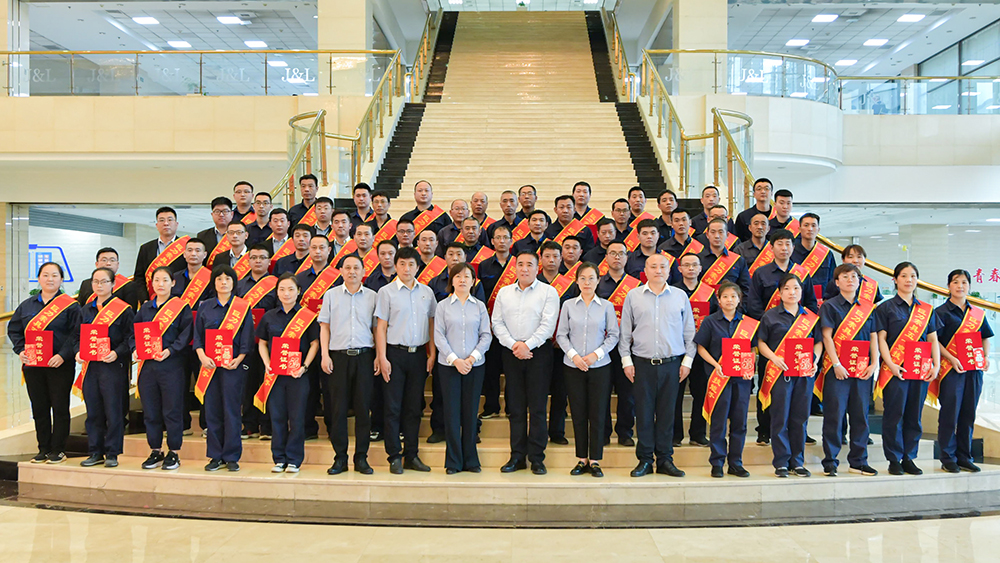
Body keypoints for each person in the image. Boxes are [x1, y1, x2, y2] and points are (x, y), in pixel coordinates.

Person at [620, 253, 695, 478]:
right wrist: (626, 361)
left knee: (667, 414)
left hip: (672, 365)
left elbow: (689, 332)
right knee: (643, 414)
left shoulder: (680, 296)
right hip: (641, 365)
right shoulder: (633, 296)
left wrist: (687, 362)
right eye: (653, 266)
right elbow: (625, 333)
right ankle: (644, 460)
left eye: (663, 266)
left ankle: (665, 459)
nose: (658, 270)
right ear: (645, 270)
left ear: (669, 270)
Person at [492, 250, 559, 475]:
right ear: (515, 267)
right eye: (520, 264)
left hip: (539, 354)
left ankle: (537, 458)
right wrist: (515, 345)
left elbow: (548, 325)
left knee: (537, 408)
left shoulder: (548, 292)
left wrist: (527, 345)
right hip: (511, 353)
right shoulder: (504, 293)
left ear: (537, 268)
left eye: (529, 264)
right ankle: (517, 456)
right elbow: (497, 323)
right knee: (516, 407)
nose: (524, 268)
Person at [8, 262, 82, 464]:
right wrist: (21, 350)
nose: (50, 279)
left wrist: (63, 355)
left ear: (61, 279)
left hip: (59, 365)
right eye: (46, 275)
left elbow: (76, 334)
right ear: (39, 278)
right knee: (39, 408)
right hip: (33, 365)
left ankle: (58, 449)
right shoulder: (27, 305)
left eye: (55, 275)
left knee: (59, 407)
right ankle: (43, 448)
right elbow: (14, 330)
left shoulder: (71, 306)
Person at [375, 246, 437, 474]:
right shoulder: (386, 292)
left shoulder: (427, 292)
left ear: (418, 267)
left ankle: (412, 455)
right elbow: (381, 327)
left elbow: (431, 324)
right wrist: (382, 357)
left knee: (413, 407)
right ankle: (394, 456)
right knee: (392, 407)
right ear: (395, 266)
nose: (406, 268)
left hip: (419, 354)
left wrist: (432, 354)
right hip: (394, 355)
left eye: (411, 264)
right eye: (402, 264)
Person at [875, 261, 941, 476]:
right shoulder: (885, 307)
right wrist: (891, 365)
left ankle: (909, 457)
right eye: (904, 276)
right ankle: (894, 459)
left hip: (920, 370)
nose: (909, 280)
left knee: (914, 415)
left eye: (913, 276)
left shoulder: (926, 310)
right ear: (895, 280)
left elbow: (933, 339)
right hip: (895, 370)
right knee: (894, 415)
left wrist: (936, 365)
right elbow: (881, 339)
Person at [557, 262, 619, 478]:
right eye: (582, 278)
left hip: (599, 366)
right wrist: (574, 356)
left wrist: (595, 355)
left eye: (591, 278)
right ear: (576, 281)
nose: (587, 282)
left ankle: (595, 460)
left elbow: (613, 335)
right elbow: (561, 335)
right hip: (573, 366)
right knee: (578, 412)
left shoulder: (606, 306)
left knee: (598, 412)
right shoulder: (568, 305)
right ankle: (581, 458)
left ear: (598, 280)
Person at [757, 274, 822, 478]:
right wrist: (773, 358)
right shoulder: (770, 316)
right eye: (787, 288)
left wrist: (815, 361)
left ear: (802, 292)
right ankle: (781, 462)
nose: (792, 292)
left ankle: (797, 462)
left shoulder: (811, 317)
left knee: (800, 418)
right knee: (780, 417)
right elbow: (761, 342)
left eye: (796, 288)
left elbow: (818, 342)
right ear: (780, 292)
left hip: (804, 374)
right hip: (780, 373)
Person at [818, 264, 880, 477]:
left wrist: (874, 362)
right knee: (834, 416)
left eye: (854, 276)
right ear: (837, 282)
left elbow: (873, 335)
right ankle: (830, 461)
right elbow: (826, 336)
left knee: (860, 416)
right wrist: (836, 364)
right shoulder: (829, 306)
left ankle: (859, 461)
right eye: (845, 276)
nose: (850, 280)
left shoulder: (868, 307)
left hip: (862, 369)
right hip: (837, 370)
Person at [320, 255, 379, 474]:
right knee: (338, 410)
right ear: (341, 271)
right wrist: (324, 355)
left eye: (356, 268)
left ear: (363, 271)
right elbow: (324, 327)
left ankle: (361, 458)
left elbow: (377, 329)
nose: (352, 271)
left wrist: (378, 356)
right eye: (347, 268)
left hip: (364, 357)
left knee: (363, 409)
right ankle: (340, 458)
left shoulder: (372, 296)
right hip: (338, 358)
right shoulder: (331, 295)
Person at [194, 265, 255, 472]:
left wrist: (239, 359)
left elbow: (247, 337)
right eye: (219, 279)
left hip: (232, 367)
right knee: (212, 411)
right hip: (209, 366)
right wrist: (202, 356)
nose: (223, 282)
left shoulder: (242, 307)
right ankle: (215, 455)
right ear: (214, 283)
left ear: (233, 282)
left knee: (231, 410)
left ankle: (231, 456)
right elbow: (198, 336)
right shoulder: (205, 306)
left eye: (227, 279)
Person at [694, 282, 758, 478]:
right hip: (718, 377)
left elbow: (753, 348)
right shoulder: (710, 321)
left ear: (739, 299)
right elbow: (701, 347)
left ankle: (736, 463)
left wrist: (749, 366)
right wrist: (716, 365)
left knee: (739, 422)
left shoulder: (748, 323)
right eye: (725, 296)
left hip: (741, 380)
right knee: (718, 422)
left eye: (733, 296)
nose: (729, 300)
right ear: (719, 300)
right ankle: (717, 462)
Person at [256, 273, 319, 474]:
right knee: (277, 418)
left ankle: (294, 459)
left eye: (291, 289)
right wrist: (267, 363)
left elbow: (314, 343)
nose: (286, 293)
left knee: (297, 418)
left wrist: (304, 366)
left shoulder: (307, 317)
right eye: (282, 289)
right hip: (275, 376)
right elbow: (262, 343)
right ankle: (279, 458)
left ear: (299, 292)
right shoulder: (269, 317)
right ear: (277, 292)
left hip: (297, 376)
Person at [434, 263, 492, 474]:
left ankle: (471, 460)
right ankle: (453, 462)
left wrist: (471, 358)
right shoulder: (443, 306)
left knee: (470, 412)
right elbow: (438, 336)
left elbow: (486, 335)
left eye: (467, 276)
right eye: (457, 276)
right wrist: (455, 360)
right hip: (449, 366)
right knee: (451, 414)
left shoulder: (479, 306)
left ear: (473, 281)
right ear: (452, 280)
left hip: (474, 366)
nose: (462, 280)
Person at [134, 266, 194, 471]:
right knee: (151, 411)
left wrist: (170, 351)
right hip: (148, 367)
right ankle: (155, 450)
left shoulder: (181, 307)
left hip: (172, 365)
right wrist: (135, 349)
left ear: (173, 283)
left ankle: (174, 452)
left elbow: (186, 334)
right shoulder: (145, 309)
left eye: (165, 280)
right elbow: (134, 334)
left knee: (172, 410)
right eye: (156, 280)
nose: (160, 284)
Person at [935, 269, 993, 474]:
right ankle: (947, 457)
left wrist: (986, 357)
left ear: (969, 286)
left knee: (968, 413)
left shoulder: (977, 313)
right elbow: (935, 341)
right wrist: (951, 358)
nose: (960, 286)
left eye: (964, 282)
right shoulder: (940, 312)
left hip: (974, 370)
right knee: (950, 414)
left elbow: (985, 336)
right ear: (948, 286)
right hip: (951, 369)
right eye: (955, 282)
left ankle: (964, 457)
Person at [76, 266, 135, 468]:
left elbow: (130, 338)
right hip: (91, 368)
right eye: (95, 282)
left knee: (113, 411)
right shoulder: (85, 310)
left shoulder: (124, 310)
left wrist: (117, 352)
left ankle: (112, 453)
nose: (99, 285)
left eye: (104, 282)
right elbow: (75, 337)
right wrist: (77, 351)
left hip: (113, 367)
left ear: (113, 284)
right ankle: (95, 452)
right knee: (93, 411)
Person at [596, 241, 640, 446]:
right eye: (612, 253)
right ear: (606, 257)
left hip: (628, 347)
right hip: (602, 346)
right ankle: (603, 433)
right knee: (602, 392)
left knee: (627, 393)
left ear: (626, 257)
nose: (616, 257)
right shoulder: (597, 284)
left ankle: (625, 432)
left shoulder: (636, 286)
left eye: (621, 253)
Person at [237, 244, 278, 440]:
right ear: (248, 261)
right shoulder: (239, 285)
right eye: (254, 257)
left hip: (269, 343)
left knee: (268, 382)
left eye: (262, 257)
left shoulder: (276, 284)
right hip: (245, 342)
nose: (258, 261)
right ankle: (249, 424)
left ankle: (267, 425)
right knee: (247, 384)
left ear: (269, 261)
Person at [671, 253, 712, 448]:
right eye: (686, 265)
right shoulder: (671, 292)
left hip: (702, 350)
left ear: (700, 268)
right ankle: (675, 435)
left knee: (701, 393)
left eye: (694, 265)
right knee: (675, 395)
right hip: (678, 349)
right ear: (680, 269)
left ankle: (698, 434)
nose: (690, 268)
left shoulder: (709, 293)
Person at [478, 224, 514, 419]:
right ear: (492, 241)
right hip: (491, 326)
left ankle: (511, 407)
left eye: (505, 237)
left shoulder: (518, 265)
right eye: (497, 237)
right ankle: (491, 406)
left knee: (511, 370)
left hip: (514, 327)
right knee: (491, 369)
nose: (501, 241)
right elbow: (480, 295)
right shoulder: (483, 266)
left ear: (511, 240)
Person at [133, 206, 188, 303]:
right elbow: (139, 277)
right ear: (157, 225)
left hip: (178, 301)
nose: (166, 223)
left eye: (170, 220)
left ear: (176, 224)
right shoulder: (146, 248)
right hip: (152, 301)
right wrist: (144, 299)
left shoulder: (185, 247)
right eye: (162, 220)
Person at [792, 213, 837, 304]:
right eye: (806, 225)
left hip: (821, 303)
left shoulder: (826, 254)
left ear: (818, 230)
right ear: (799, 229)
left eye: (813, 225)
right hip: (796, 302)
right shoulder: (791, 252)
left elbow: (833, 281)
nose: (810, 229)